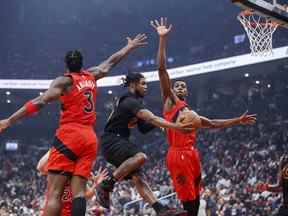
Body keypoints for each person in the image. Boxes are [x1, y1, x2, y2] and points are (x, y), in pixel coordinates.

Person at [0, 33, 147, 216]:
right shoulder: (92, 75)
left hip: (70, 134)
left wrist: (10, 120)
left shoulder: (65, 81)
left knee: (55, 193)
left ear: (66, 65)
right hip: (90, 138)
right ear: (82, 63)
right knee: (78, 192)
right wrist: (129, 47)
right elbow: (111, 61)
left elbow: (39, 101)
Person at [150, 17, 257, 216]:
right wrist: (162, 39)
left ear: (187, 92)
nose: (181, 87)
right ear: (172, 90)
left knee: (196, 195)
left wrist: (237, 120)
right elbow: (161, 70)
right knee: (188, 199)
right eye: (177, 85)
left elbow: (214, 123)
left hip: (192, 152)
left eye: (184, 86)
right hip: (178, 153)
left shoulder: (191, 112)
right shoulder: (170, 101)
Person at [96, 72, 192, 216]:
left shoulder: (134, 103)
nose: (146, 87)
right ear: (133, 84)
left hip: (115, 141)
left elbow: (144, 128)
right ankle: (107, 184)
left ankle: (160, 210)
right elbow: (151, 118)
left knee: (138, 178)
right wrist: (175, 126)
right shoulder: (129, 100)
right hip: (112, 140)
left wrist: (164, 121)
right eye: (143, 83)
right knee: (141, 157)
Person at [37, 150, 109, 216]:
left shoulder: (77, 175)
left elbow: (86, 196)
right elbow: (40, 167)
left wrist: (96, 185)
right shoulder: (58, 170)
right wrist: (55, 148)